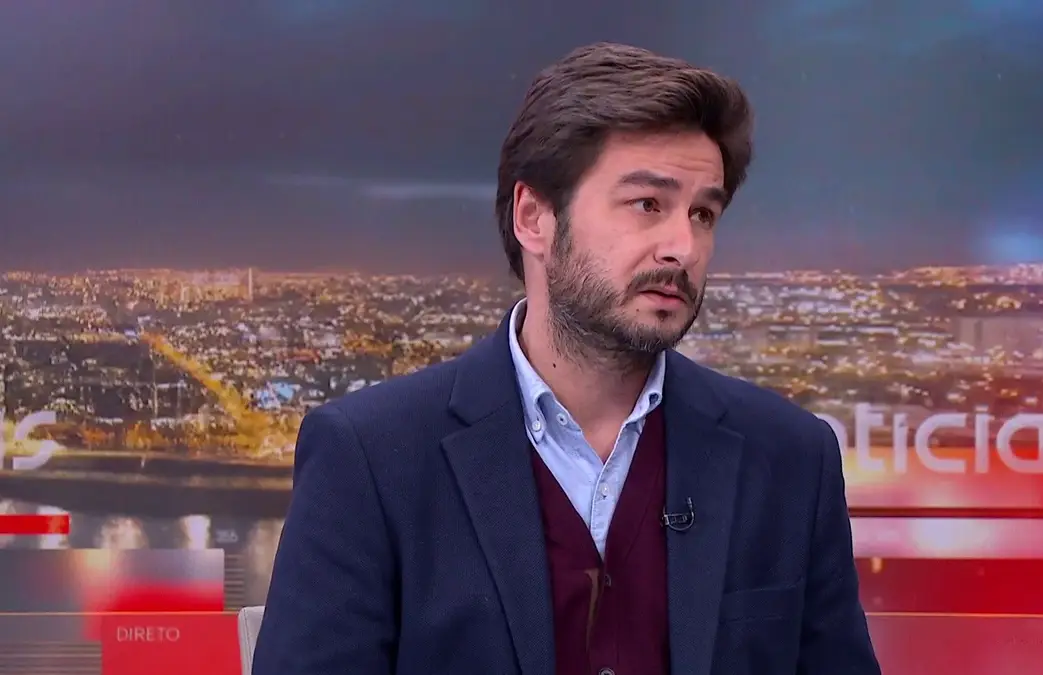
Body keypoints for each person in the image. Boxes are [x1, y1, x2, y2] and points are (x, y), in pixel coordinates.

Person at [253, 42, 880, 675]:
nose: (683, 247)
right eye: (648, 204)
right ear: (534, 218)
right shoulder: (370, 458)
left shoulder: (790, 458)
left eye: (703, 213)